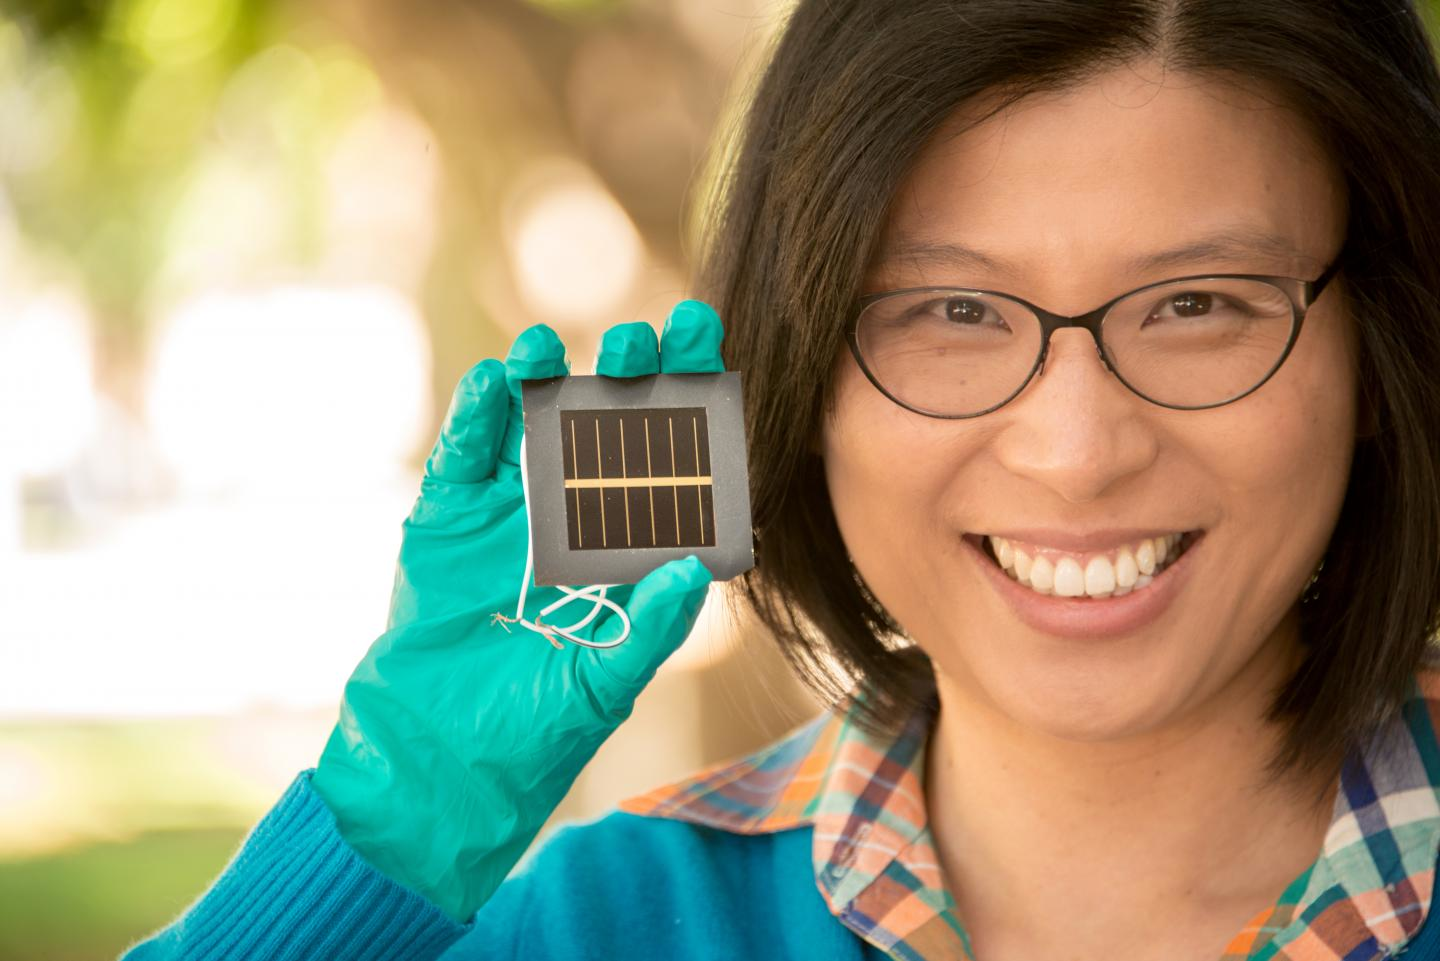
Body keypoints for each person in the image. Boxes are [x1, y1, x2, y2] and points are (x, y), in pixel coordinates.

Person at [124, 1, 1440, 959]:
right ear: (804, 391)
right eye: (951, 313)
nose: (1077, 451)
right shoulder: (599, 930)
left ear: (1381, 355)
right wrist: (385, 830)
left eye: (1201, 303)